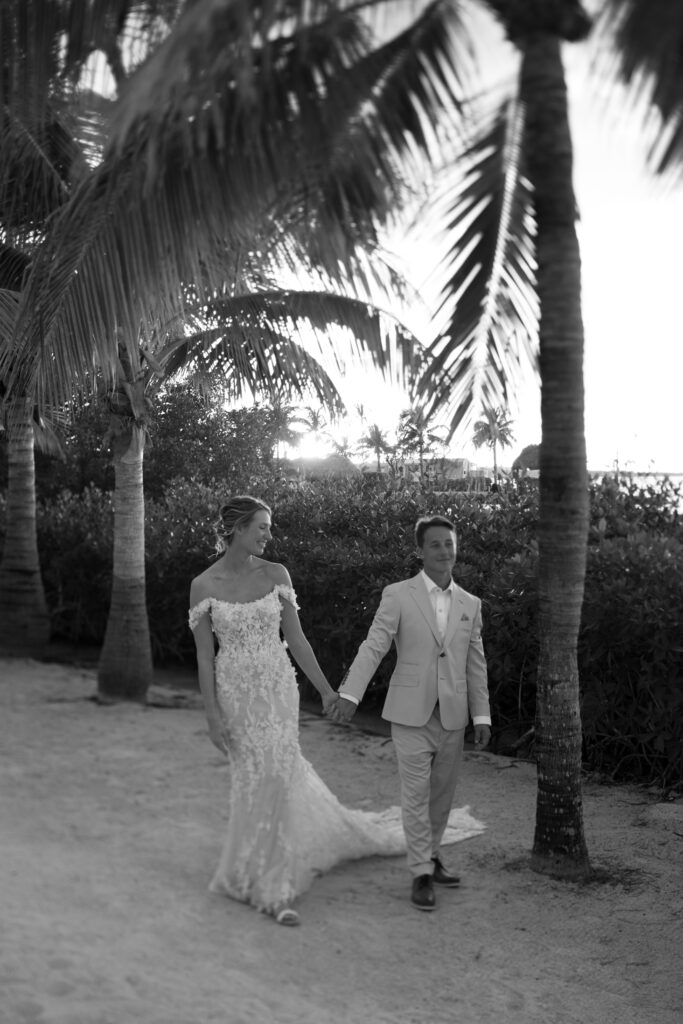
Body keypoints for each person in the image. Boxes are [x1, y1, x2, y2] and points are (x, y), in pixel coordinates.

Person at [188, 496, 485, 927]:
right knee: (253, 779)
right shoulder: (203, 585)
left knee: (276, 776)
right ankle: (245, 870)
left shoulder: (276, 575)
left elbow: (298, 640)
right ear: (237, 529)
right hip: (236, 693)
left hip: (277, 689)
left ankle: (275, 887)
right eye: (262, 527)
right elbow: (203, 658)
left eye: (270, 527)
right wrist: (212, 716)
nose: (270, 535)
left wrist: (329, 691)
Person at [332, 514, 491, 912]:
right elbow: (374, 645)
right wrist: (351, 693)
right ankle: (420, 872)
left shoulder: (471, 604)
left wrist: (482, 716)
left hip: (453, 715)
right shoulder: (398, 594)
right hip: (409, 713)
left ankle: (432, 856)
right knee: (416, 794)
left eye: (449, 544)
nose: (443, 551)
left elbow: (476, 663)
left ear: (457, 549)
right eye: (435, 544)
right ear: (421, 551)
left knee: (442, 795)